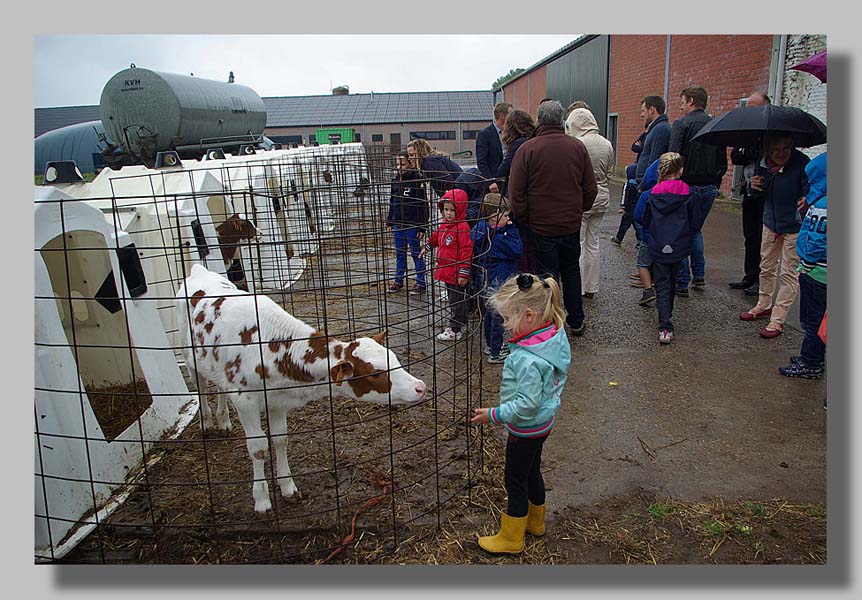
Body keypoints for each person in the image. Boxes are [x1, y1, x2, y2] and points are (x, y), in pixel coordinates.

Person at [470, 272, 570, 554]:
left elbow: (527, 403)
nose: (504, 324)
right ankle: (536, 524)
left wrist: (494, 414)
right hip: (543, 424)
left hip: (526, 427)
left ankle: (511, 538)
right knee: (531, 471)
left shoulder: (526, 358)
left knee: (514, 479)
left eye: (507, 318)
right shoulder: (552, 335)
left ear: (528, 315)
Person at [508, 100, 598, 336]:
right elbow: (591, 188)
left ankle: (551, 324)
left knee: (547, 276)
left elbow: (516, 192)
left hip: (541, 226)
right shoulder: (577, 148)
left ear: (539, 120)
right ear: (561, 121)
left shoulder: (527, 150)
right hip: (569, 223)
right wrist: (578, 210)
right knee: (570, 270)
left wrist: (526, 218)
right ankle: (576, 320)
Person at [738, 132, 810, 338]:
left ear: (792, 147)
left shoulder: (802, 164)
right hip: (771, 222)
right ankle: (764, 304)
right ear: (769, 149)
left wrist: (806, 198)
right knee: (766, 267)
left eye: (786, 148)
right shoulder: (764, 163)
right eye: (776, 149)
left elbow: (811, 190)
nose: (781, 154)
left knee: (788, 273)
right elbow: (759, 191)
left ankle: (777, 320)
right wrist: (754, 186)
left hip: (794, 225)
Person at [668, 86, 728, 295]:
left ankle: (682, 282)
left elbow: (673, 157)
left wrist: (671, 185)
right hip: (709, 187)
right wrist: (716, 184)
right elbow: (723, 160)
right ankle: (699, 276)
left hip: (686, 186)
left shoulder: (682, 124)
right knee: (695, 231)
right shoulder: (715, 125)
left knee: (681, 231)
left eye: (683, 101)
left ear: (692, 101)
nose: (681, 106)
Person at [641, 153, 701, 344]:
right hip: (680, 244)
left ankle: (664, 324)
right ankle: (667, 319)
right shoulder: (689, 194)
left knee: (661, 284)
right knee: (673, 282)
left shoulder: (653, 194)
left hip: (659, 244)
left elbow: (645, 220)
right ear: (680, 170)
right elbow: (695, 222)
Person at [779, 152, 827, 378]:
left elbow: (817, 239)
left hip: (816, 271)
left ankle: (811, 362)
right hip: (822, 271)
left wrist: (806, 263)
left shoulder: (823, 206)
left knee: (811, 320)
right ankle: (813, 356)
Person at [565, 107, 615, 298]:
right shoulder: (607, 144)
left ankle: (579, 287)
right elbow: (609, 173)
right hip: (602, 196)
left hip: (582, 198)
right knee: (593, 243)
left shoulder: (577, 144)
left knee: (578, 243)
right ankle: (592, 286)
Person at [729, 91, 772, 296]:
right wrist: (748, 152)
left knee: (763, 238)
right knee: (750, 236)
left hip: (766, 193)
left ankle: (761, 282)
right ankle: (750, 275)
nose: (750, 111)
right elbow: (736, 156)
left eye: (754, 107)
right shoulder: (746, 133)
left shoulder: (772, 132)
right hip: (749, 190)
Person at [470, 194, 522, 363]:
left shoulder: (481, 231)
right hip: (500, 279)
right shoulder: (499, 239)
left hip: (487, 278)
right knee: (499, 314)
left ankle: (491, 345)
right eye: (506, 215)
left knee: (489, 313)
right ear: (494, 217)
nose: (509, 219)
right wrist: (512, 230)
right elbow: (517, 249)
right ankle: (496, 351)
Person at [613, 95, 670, 245]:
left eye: (643, 110)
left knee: (644, 221)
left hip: (648, 186)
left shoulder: (661, 129)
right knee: (637, 217)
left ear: (652, 110)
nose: (641, 114)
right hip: (642, 183)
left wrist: (644, 184)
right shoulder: (654, 129)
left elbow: (655, 161)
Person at [420, 188, 473, 341]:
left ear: (461, 209)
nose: (448, 213)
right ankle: (458, 323)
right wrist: (428, 246)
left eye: (452, 210)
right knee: (453, 299)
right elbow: (436, 237)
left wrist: (463, 272)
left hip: (456, 272)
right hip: (447, 270)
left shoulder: (462, 228)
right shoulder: (444, 224)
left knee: (457, 301)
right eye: (445, 209)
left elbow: (466, 251)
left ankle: (456, 329)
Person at [496, 109, 537, 273]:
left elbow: (501, 171)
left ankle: (526, 281)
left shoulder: (517, 145)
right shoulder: (535, 141)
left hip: (521, 202)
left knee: (523, 245)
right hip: (537, 201)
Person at [386, 151, 428, 295]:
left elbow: (423, 205)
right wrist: (390, 222)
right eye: (397, 164)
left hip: (412, 224)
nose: (399, 167)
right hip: (398, 223)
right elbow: (392, 202)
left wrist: (422, 227)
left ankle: (421, 282)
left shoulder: (417, 181)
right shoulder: (395, 181)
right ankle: (398, 280)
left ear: (411, 164)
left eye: (402, 164)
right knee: (400, 253)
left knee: (416, 253)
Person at [632, 158, 661, 305]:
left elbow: (638, 216)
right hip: (672, 239)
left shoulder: (647, 194)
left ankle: (648, 290)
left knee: (643, 264)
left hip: (649, 237)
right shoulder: (685, 191)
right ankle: (666, 292)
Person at [478, 102, 512, 191]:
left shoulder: (512, 134)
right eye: (511, 114)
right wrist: (490, 181)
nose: (513, 118)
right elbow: (482, 161)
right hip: (495, 184)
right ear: (502, 115)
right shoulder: (485, 135)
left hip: (510, 181)